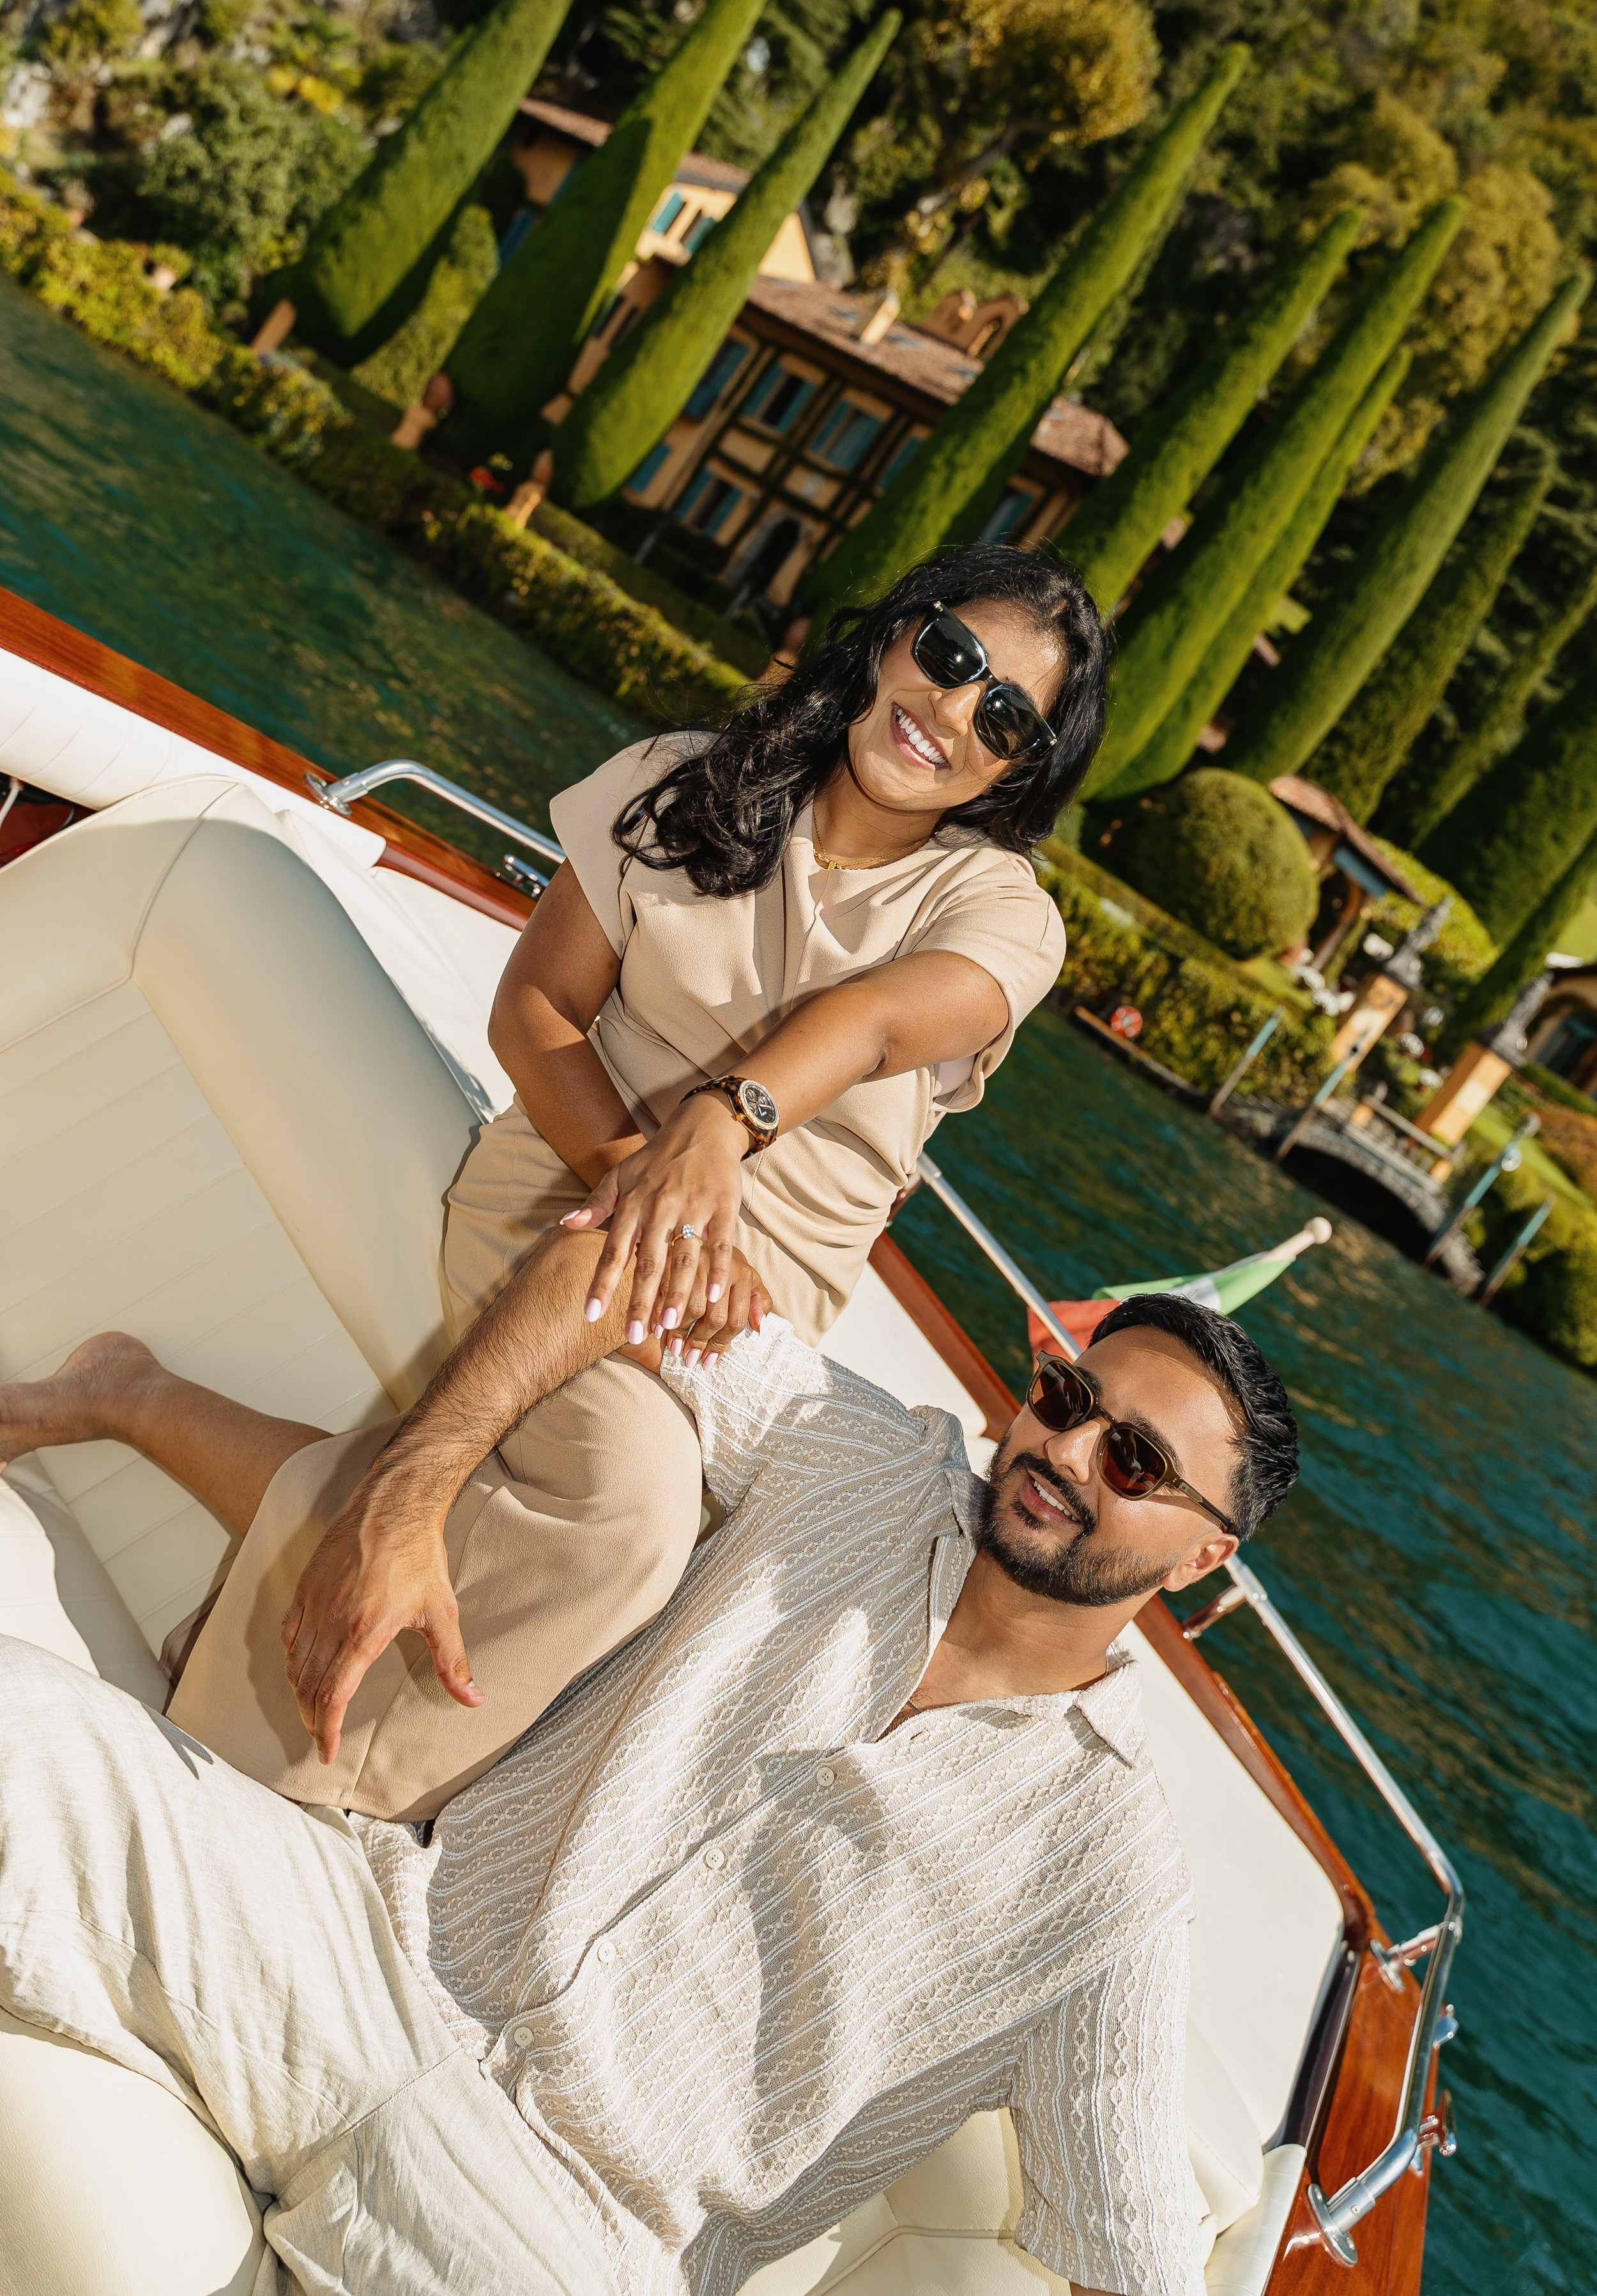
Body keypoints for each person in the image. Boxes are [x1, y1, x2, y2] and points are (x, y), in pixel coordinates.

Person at [0, 1220, 1299, 2296]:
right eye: (1066, 1399)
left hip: (561, 2237)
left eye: (1131, 1460)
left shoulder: (1110, 1876)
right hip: (364, 1945)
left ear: (1198, 1559)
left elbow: (1129, 2270)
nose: (1065, 1453)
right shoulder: (856, 1456)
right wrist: (409, 1494)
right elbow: (610, 1270)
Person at [139, 545, 1106, 1816]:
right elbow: (537, 1008)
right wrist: (643, 1189)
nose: (948, 711)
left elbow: (874, 1022)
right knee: (628, 1517)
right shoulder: (683, 782)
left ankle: (156, 1462)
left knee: (676, 1565)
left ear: (1014, 772)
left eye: (1000, 718)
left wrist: (722, 1120)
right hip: (561, 1181)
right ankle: (305, 1799)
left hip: (748, 1312)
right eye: (949, 656)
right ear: (895, 636)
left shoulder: (1000, 913)